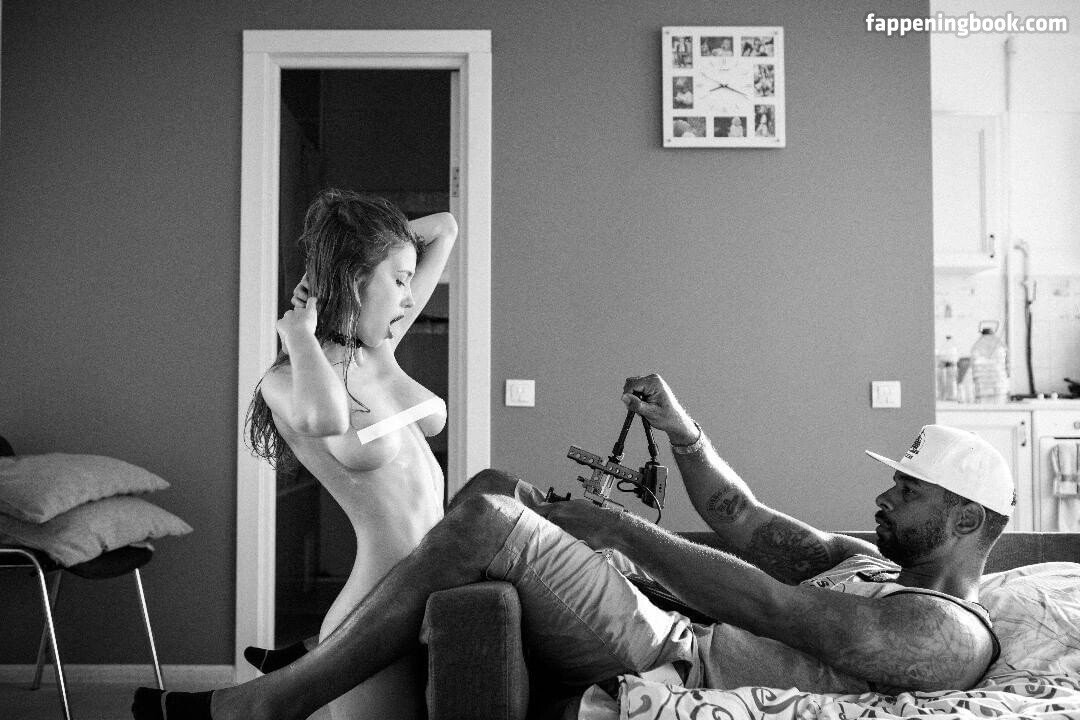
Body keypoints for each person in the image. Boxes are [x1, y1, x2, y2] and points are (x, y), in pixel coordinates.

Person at [134, 373, 1014, 720]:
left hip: (676, 655)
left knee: (486, 523)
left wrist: (620, 530)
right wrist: (684, 430)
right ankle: (331, 653)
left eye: (908, 492)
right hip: (664, 616)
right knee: (495, 485)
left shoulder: (945, 633)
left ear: (968, 521)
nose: (883, 498)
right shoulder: (868, 561)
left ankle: (260, 708)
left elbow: (773, 608)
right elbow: (741, 516)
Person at [243, 188, 457, 720]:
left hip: (432, 592)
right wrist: (300, 337)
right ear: (356, 280)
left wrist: (336, 256)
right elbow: (328, 421)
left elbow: (445, 227)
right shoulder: (284, 380)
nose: (409, 298)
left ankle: (309, 656)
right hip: (375, 607)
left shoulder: (379, 350)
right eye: (400, 280)